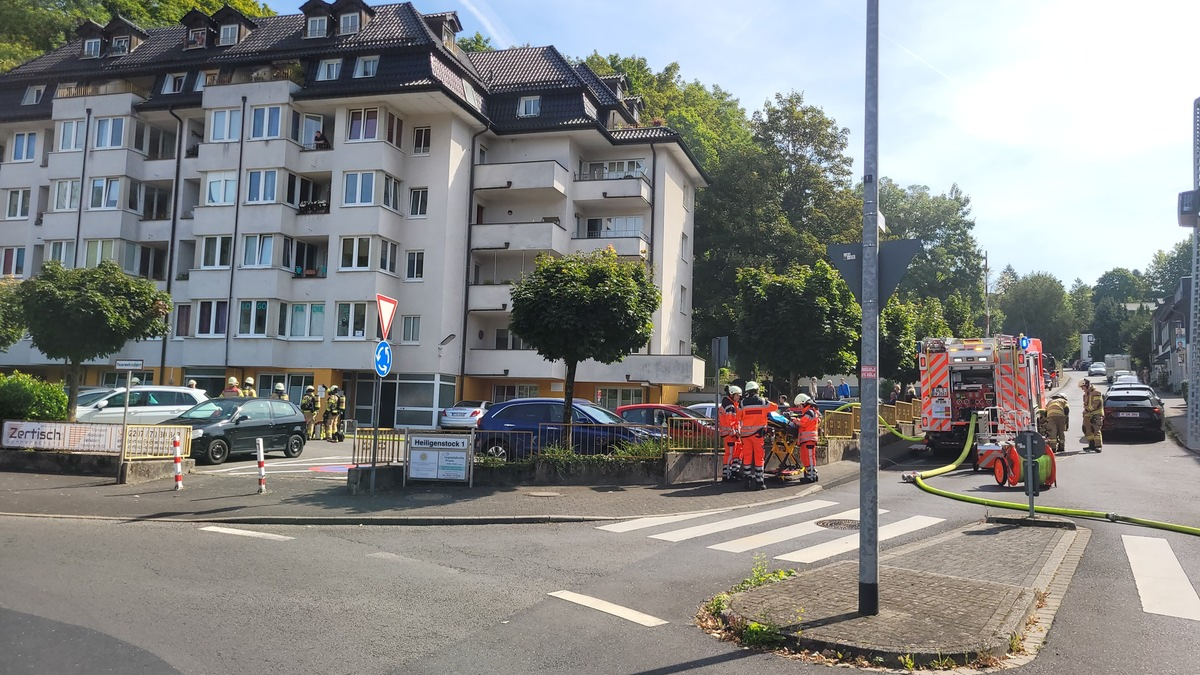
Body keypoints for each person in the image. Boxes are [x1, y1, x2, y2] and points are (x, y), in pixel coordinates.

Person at [738, 381, 775, 491]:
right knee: (759, 458)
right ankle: (759, 482)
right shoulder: (763, 401)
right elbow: (775, 407)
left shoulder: (742, 403)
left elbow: (738, 417)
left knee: (747, 458)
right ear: (757, 390)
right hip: (758, 435)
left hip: (745, 435)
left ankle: (747, 481)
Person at [793, 394, 820, 483]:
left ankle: (812, 476)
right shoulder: (810, 412)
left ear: (804, 403)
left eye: (799, 405)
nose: (799, 407)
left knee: (809, 458)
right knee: (805, 458)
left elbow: (803, 423)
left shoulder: (810, 412)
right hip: (806, 440)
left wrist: (794, 420)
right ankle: (809, 475)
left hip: (809, 440)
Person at [719, 385, 743, 482]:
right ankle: (727, 475)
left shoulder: (730, 405)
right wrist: (735, 432)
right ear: (732, 394)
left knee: (737, 452)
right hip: (730, 434)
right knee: (730, 454)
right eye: (737, 395)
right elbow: (730, 422)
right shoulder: (730, 406)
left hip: (731, 434)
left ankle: (734, 472)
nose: (738, 398)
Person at [1080, 379, 1103, 452]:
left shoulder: (1096, 392)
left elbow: (1096, 404)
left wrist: (1087, 410)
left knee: (1096, 430)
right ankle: (1091, 445)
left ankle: (1098, 446)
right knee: (1087, 430)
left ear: (1086, 385)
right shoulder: (1086, 394)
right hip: (1087, 416)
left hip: (1096, 415)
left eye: (1082, 387)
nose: (1082, 389)